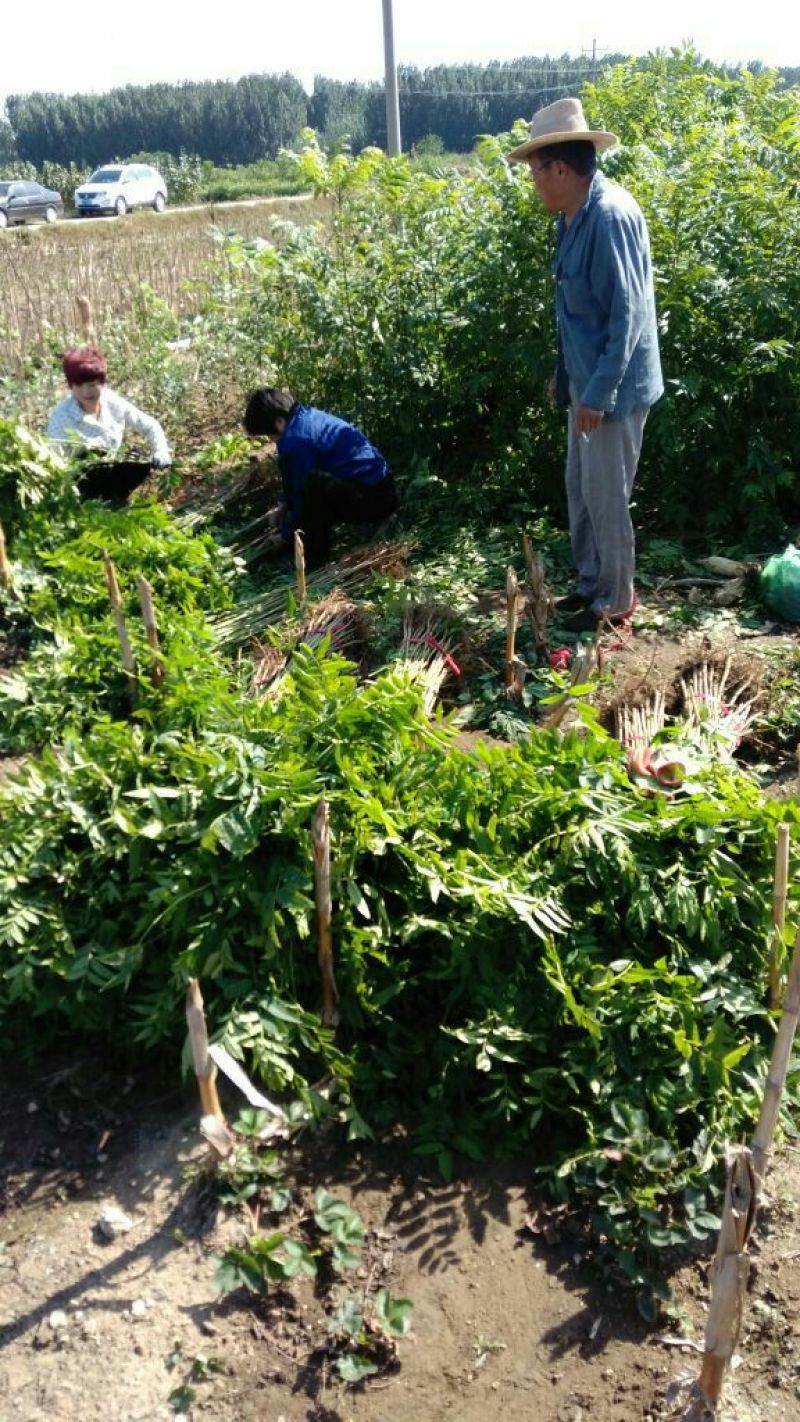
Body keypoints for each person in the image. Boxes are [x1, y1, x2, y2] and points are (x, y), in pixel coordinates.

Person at [508, 98, 663, 633]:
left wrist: (596, 393)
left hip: (613, 390)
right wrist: (566, 374)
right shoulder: (571, 216)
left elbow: (629, 317)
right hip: (587, 383)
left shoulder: (611, 217)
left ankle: (615, 604)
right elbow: (573, 314)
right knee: (581, 490)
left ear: (560, 169)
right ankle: (591, 585)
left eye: (535, 172)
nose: (534, 182)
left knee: (606, 496)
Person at [243, 388, 398, 566]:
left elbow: (302, 494)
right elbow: (291, 473)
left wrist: (286, 536)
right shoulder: (303, 418)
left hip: (375, 500)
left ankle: (314, 560)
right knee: (311, 485)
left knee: (314, 486)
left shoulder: (297, 440)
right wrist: (283, 503)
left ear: (279, 422)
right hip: (380, 488)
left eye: (269, 435)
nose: (271, 441)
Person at [47, 347, 171, 501]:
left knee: (136, 458)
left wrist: (161, 451)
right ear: (70, 386)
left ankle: (118, 500)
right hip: (80, 490)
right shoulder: (62, 417)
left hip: (113, 479)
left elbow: (150, 426)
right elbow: (55, 468)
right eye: (79, 385)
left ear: (102, 381)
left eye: (92, 384)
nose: (87, 391)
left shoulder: (112, 402)